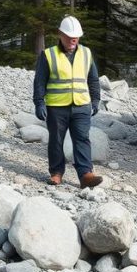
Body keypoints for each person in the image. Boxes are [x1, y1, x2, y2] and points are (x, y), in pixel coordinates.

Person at [33, 16, 103, 188]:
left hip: (81, 106)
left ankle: (85, 174)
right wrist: (39, 103)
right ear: (60, 34)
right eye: (69, 35)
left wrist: (95, 100)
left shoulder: (86, 53)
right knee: (56, 140)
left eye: (76, 36)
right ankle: (56, 173)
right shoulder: (48, 55)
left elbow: (93, 79)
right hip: (57, 107)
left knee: (82, 139)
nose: (73, 39)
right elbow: (40, 81)